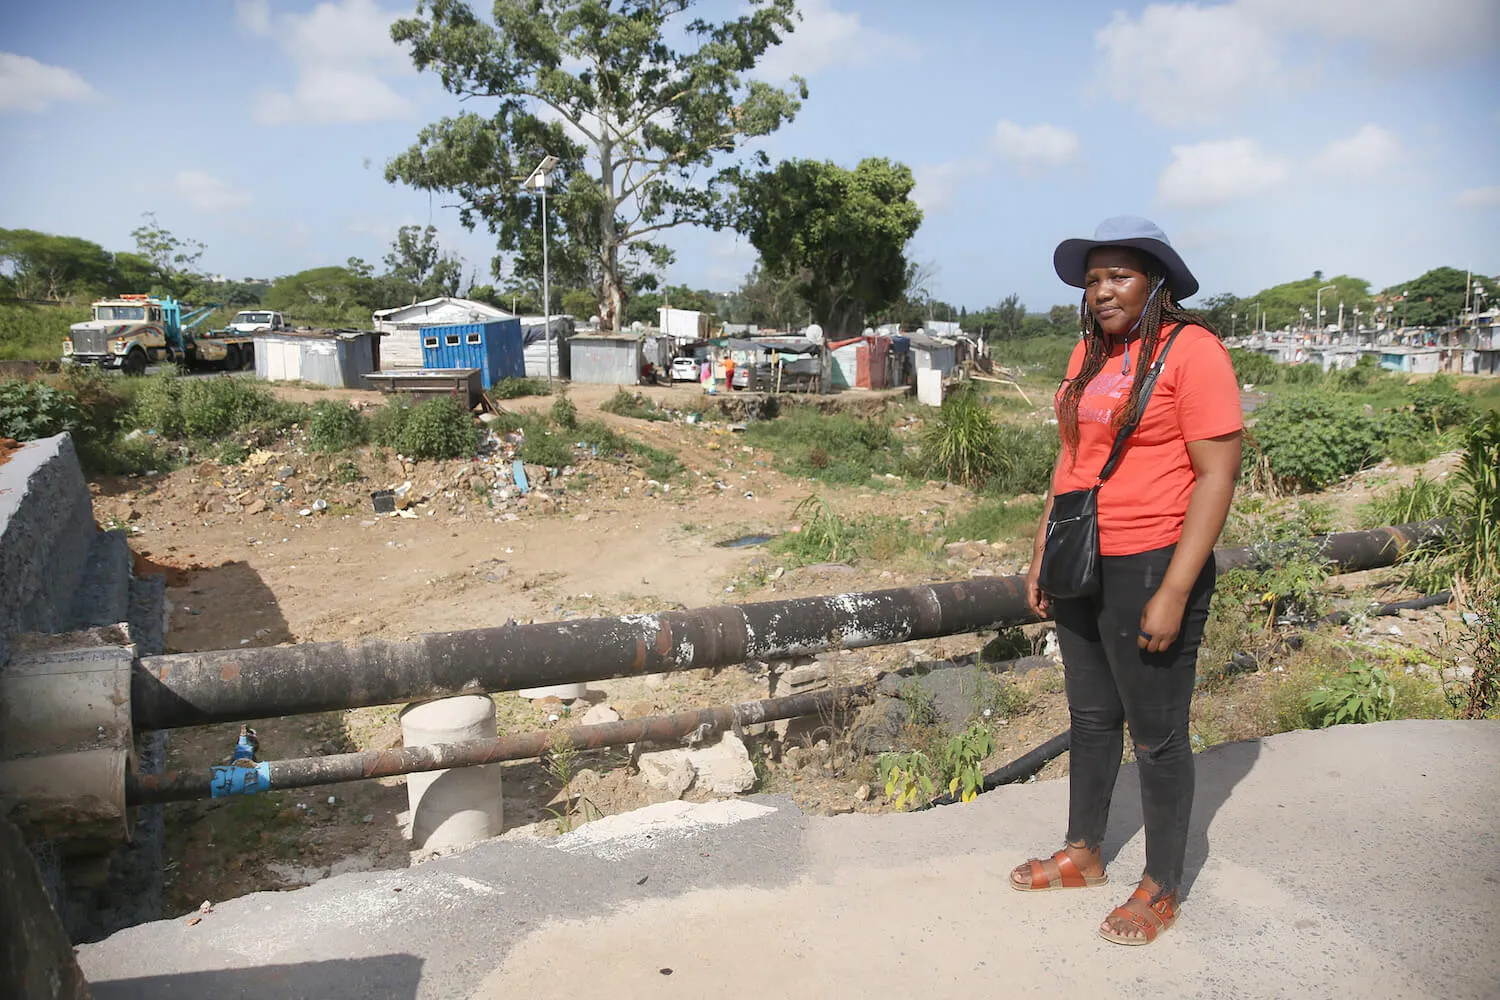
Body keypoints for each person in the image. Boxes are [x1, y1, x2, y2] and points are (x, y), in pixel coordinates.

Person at [1010, 217, 1243, 946]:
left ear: (1156, 282)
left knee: (1157, 734)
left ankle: (1163, 884)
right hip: (1082, 554)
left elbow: (1216, 475)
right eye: (1094, 278)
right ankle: (1085, 853)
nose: (1103, 290)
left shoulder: (1192, 352)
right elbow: (1073, 460)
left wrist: (1174, 588)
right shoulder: (1091, 353)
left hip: (1151, 558)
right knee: (1089, 717)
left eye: (1120, 276)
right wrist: (1042, 545)